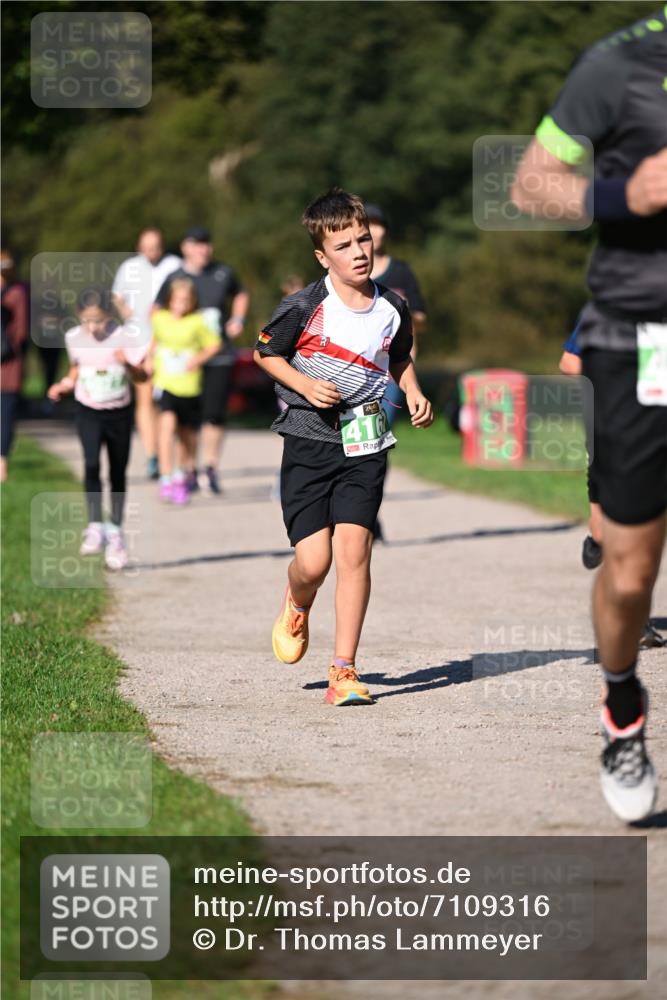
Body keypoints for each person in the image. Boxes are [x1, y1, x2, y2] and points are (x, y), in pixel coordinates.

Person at [512, 7, 667, 822]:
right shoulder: (619, 64)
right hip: (643, 337)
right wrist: (623, 192)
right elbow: (530, 182)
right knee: (631, 569)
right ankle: (620, 706)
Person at [254, 188, 433, 706]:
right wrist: (306, 386)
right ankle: (296, 598)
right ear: (321, 256)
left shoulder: (393, 305)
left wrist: (415, 392)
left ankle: (344, 671)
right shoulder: (305, 306)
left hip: (366, 440)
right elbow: (265, 352)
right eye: (345, 245)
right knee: (314, 562)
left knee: (355, 550)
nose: (359, 251)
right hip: (308, 442)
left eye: (363, 239)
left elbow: (398, 357)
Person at [47, 289, 148, 569]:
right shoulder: (74, 338)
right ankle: (95, 525)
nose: (93, 328)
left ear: (109, 316)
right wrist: (63, 386)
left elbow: (143, 376)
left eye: (99, 321)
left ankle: (115, 532)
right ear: (79, 317)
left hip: (118, 412)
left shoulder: (125, 336)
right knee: (91, 464)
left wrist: (127, 362)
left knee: (117, 472)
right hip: (87, 410)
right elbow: (75, 370)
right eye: (87, 321)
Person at [155, 226, 249, 494]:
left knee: (214, 415)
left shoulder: (223, 273)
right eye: (197, 244)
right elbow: (158, 311)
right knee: (187, 419)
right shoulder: (174, 277)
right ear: (185, 247)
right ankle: (188, 468)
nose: (203, 249)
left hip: (218, 354)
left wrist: (237, 318)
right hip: (184, 363)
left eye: (207, 244)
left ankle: (210, 466)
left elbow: (241, 293)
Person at [112, 227, 181, 480]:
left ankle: (167, 456)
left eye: (156, 246)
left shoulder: (174, 265)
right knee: (144, 398)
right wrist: (125, 312)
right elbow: (116, 296)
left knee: (167, 400)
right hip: (137, 338)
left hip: (168, 341)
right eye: (147, 247)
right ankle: (152, 455)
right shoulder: (129, 267)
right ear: (139, 247)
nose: (152, 251)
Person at [149, 278, 222, 505]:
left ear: (192, 302)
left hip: (189, 386)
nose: (181, 303)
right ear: (170, 299)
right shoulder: (159, 319)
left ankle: (182, 474)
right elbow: (155, 340)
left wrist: (197, 359)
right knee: (166, 425)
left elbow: (214, 345)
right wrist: (148, 359)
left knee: (186, 435)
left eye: (186, 299)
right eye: (177, 299)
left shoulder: (197, 322)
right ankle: (165, 477)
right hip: (165, 382)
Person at [366, 203, 428, 427]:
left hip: (393, 368)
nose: (374, 231)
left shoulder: (402, 272)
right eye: (368, 225)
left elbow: (421, 319)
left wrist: (404, 314)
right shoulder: (346, 274)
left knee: (379, 431)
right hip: (355, 367)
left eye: (378, 225)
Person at [1, 249, 29, 482]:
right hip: (10, 365)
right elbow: (21, 332)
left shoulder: (16, 293)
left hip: (9, 365)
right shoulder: (18, 293)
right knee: (6, 415)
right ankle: (2, 464)